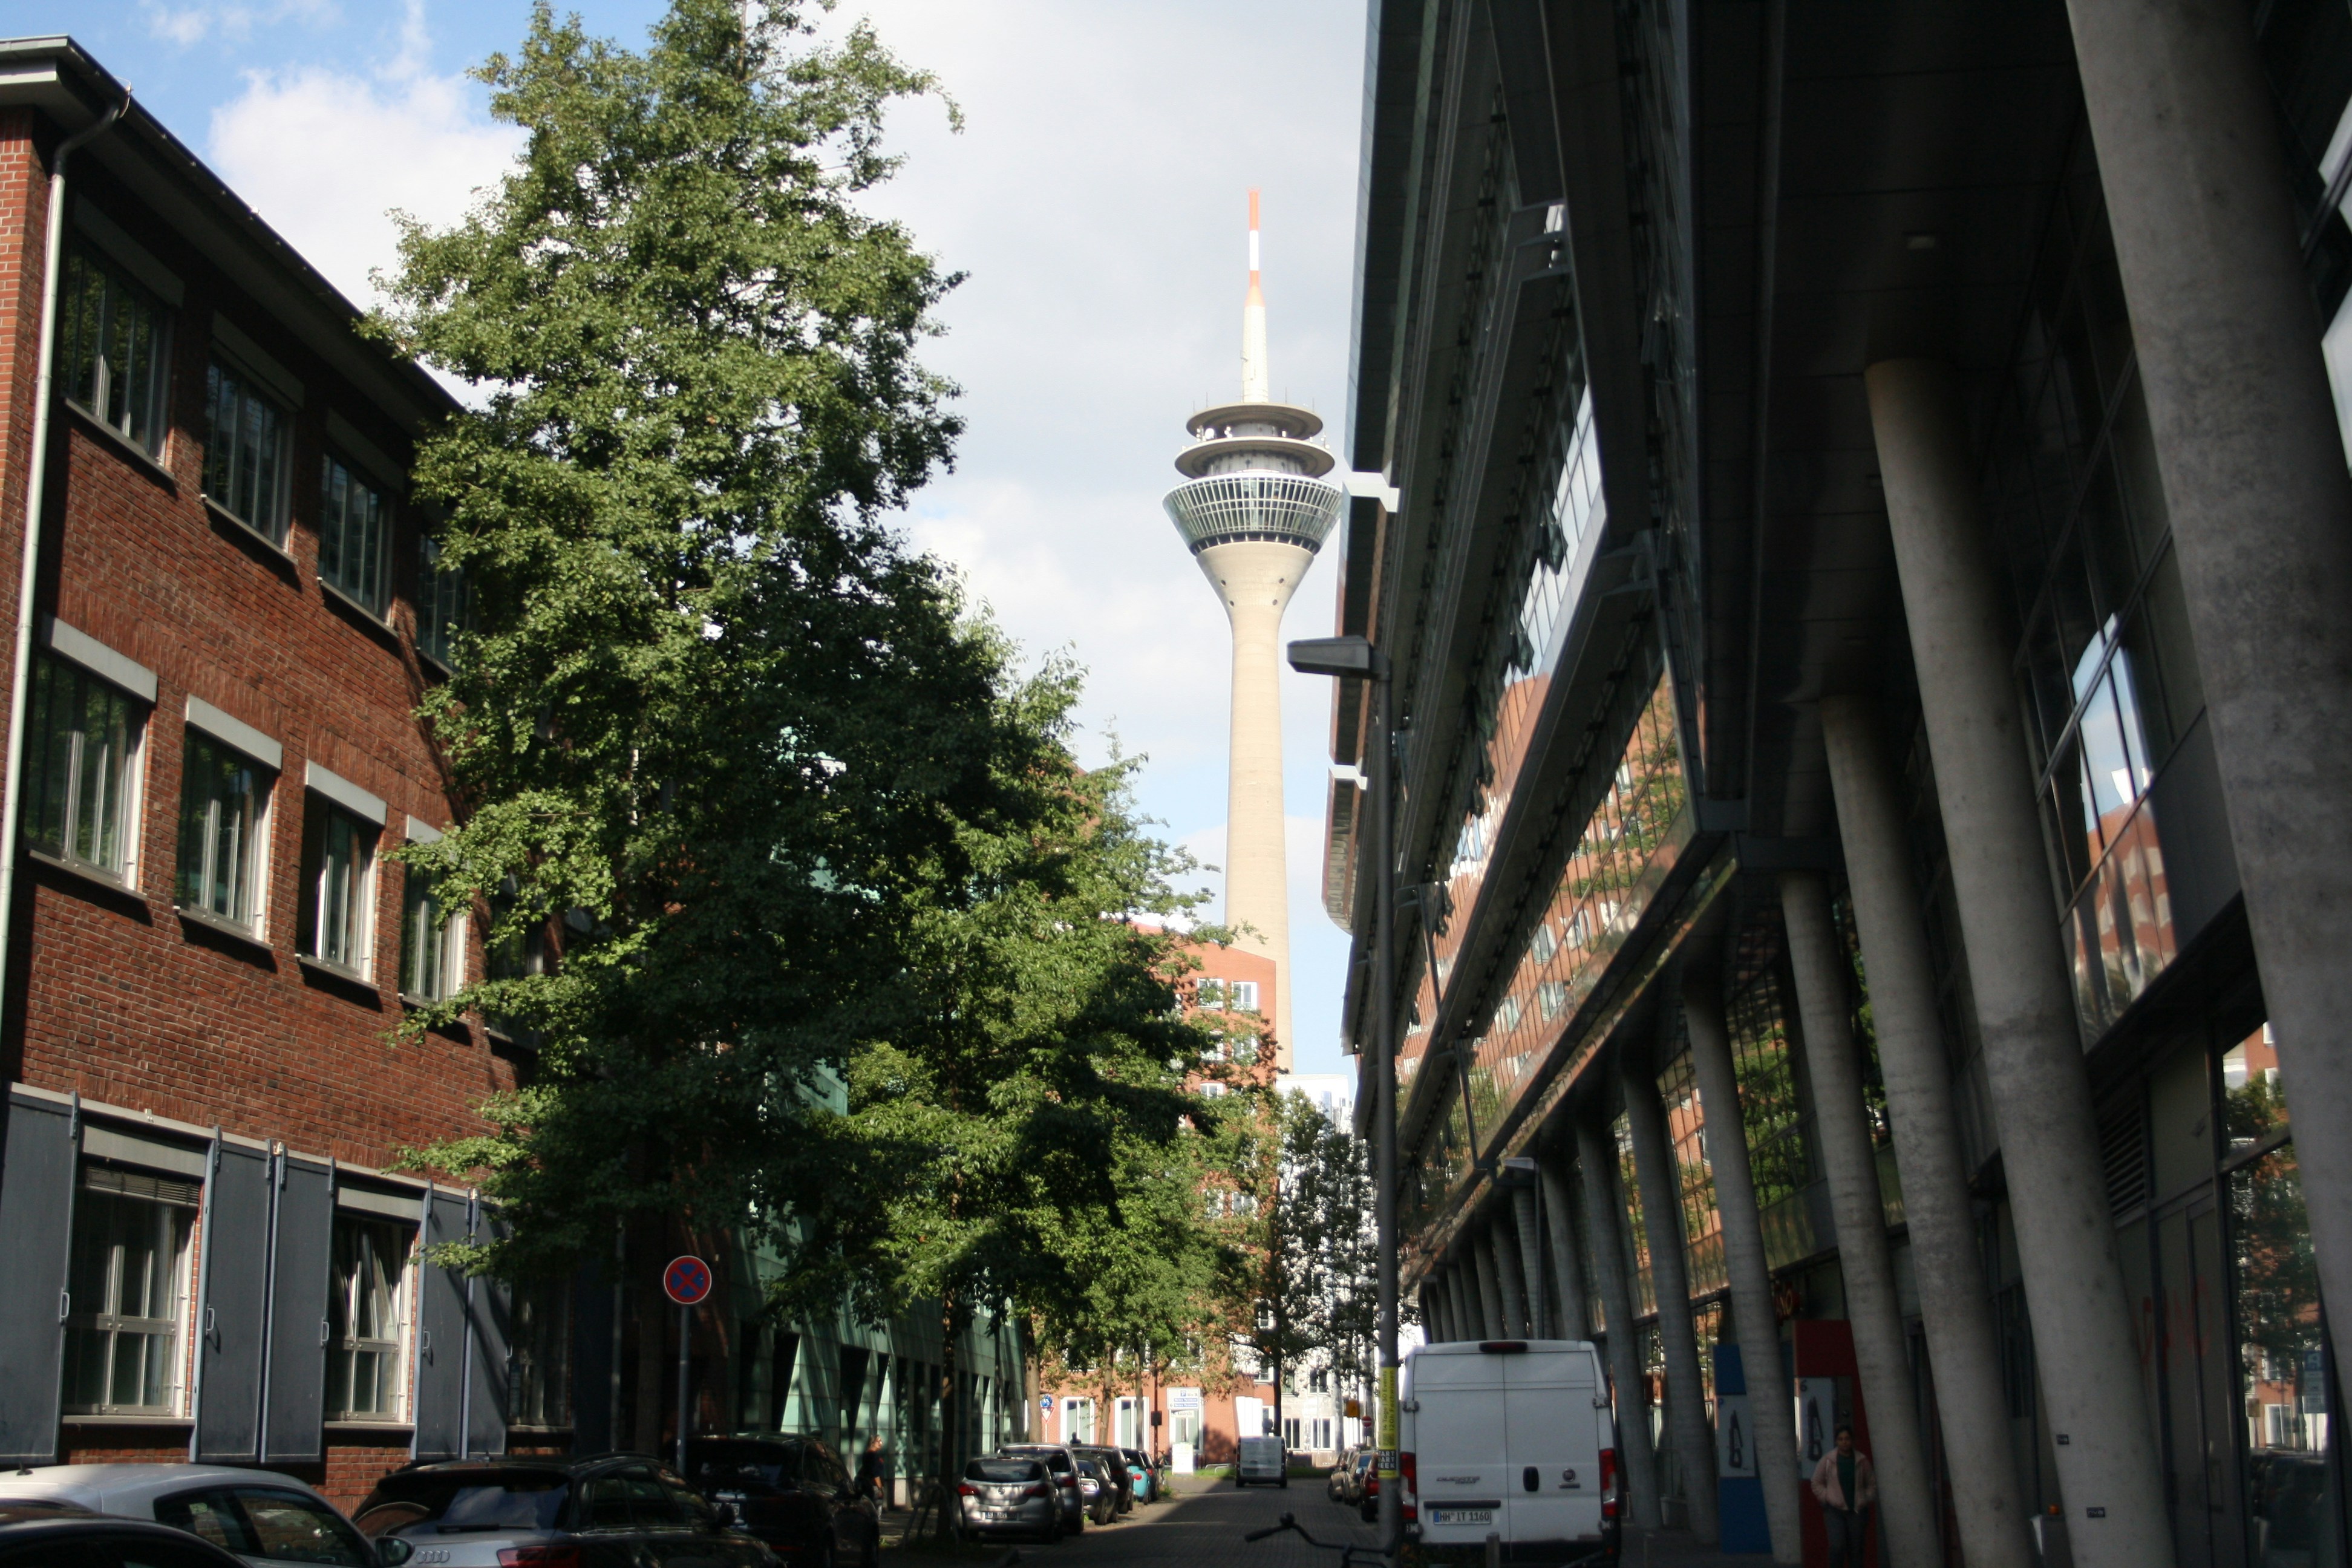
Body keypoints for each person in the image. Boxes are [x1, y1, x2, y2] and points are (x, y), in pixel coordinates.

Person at [1809, 1424, 1877, 1568]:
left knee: (1856, 1548)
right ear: (1836, 1441)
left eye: (1847, 1439)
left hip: (1857, 1510)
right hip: (1834, 1510)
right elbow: (1816, 1482)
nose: (1844, 1442)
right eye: (1840, 1439)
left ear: (1852, 1440)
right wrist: (1827, 1497)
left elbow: (1871, 1483)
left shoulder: (1862, 1461)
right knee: (1837, 1546)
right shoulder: (1828, 1461)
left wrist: (1866, 1497)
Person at [855, 1436, 887, 1508]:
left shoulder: (868, 1454)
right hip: (873, 1486)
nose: (881, 1443)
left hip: (869, 1485)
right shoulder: (872, 1455)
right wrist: (880, 1488)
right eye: (879, 1441)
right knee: (876, 1507)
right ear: (872, 1443)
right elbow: (875, 1473)